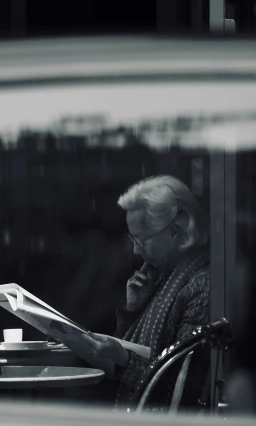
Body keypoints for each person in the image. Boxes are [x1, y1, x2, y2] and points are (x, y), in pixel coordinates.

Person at [75, 175, 210, 409]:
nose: (136, 251)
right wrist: (132, 311)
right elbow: (137, 351)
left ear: (175, 231)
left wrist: (122, 358)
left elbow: (180, 383)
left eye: (141, 240)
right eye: (132, 239)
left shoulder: (201, 286)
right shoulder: (162, 277)